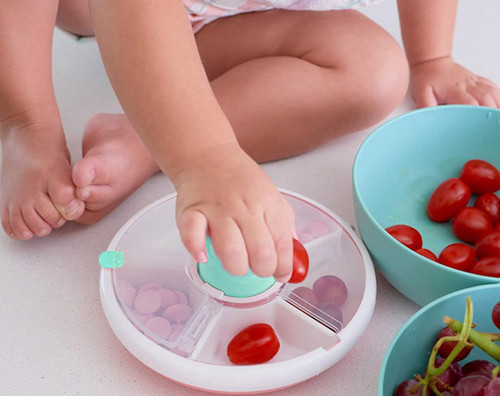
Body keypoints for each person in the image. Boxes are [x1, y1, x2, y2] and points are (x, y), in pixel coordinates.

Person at [1, 0, 499, 282]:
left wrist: (432, 57)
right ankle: (26, 119)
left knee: (373, 71)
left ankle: (143, 140)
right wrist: (204, 158)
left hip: (227, 17)